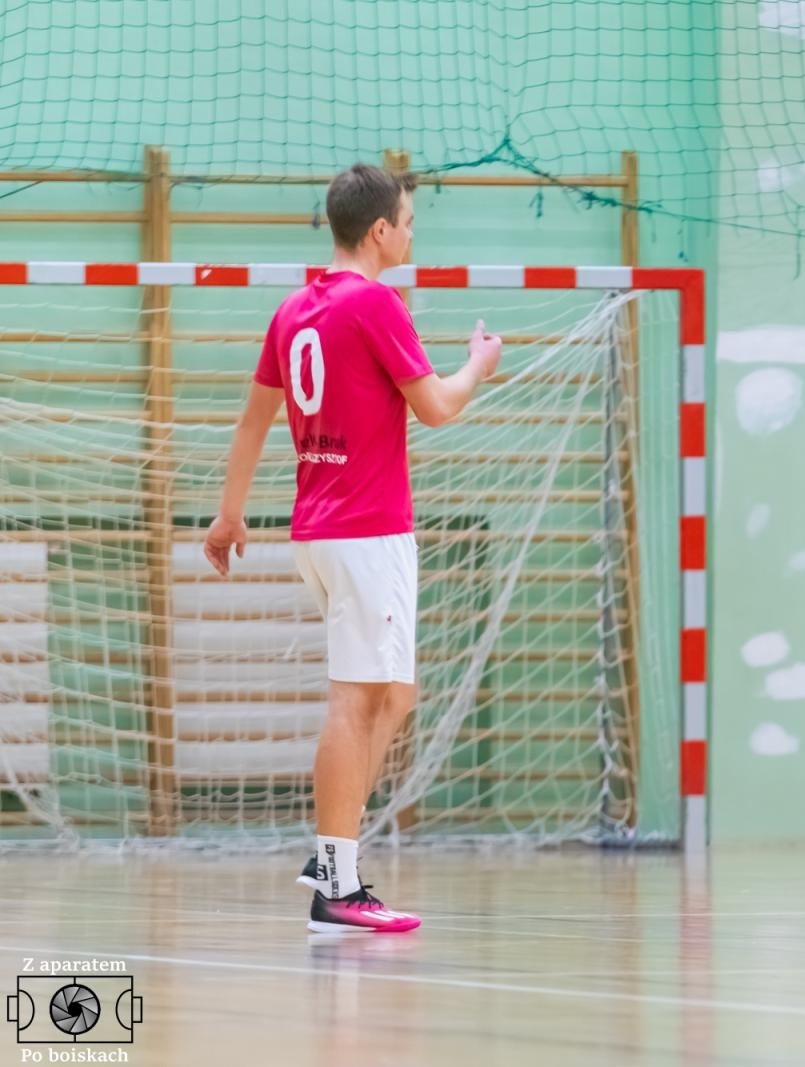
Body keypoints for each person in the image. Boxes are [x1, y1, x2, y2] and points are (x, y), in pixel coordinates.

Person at [203, 162, 503, 933]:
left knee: (394, 695)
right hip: (367, 531)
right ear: (379, 230)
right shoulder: (377, 303)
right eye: (408, 222)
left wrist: (229, 516)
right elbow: (435, 407)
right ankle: (336, 881)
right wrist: (478, 364)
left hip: (321, 530)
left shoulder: (295, 310)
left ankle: (331, 851)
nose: (411, 234)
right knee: (355, 698)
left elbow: (251, 421)